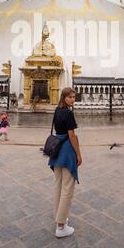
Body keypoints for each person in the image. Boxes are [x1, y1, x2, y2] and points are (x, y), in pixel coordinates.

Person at [48, 87, 82, 238]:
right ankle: (61, 226)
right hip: (67, 149)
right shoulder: (68, 113)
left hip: (57, 149)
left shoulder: (57, 110)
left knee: (58, 185)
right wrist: (79, 154)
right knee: (67, 188)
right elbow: (72, 135)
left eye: (74, 97)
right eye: (70, 97)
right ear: (64, 97)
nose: (73, 100)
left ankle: (59, 217)